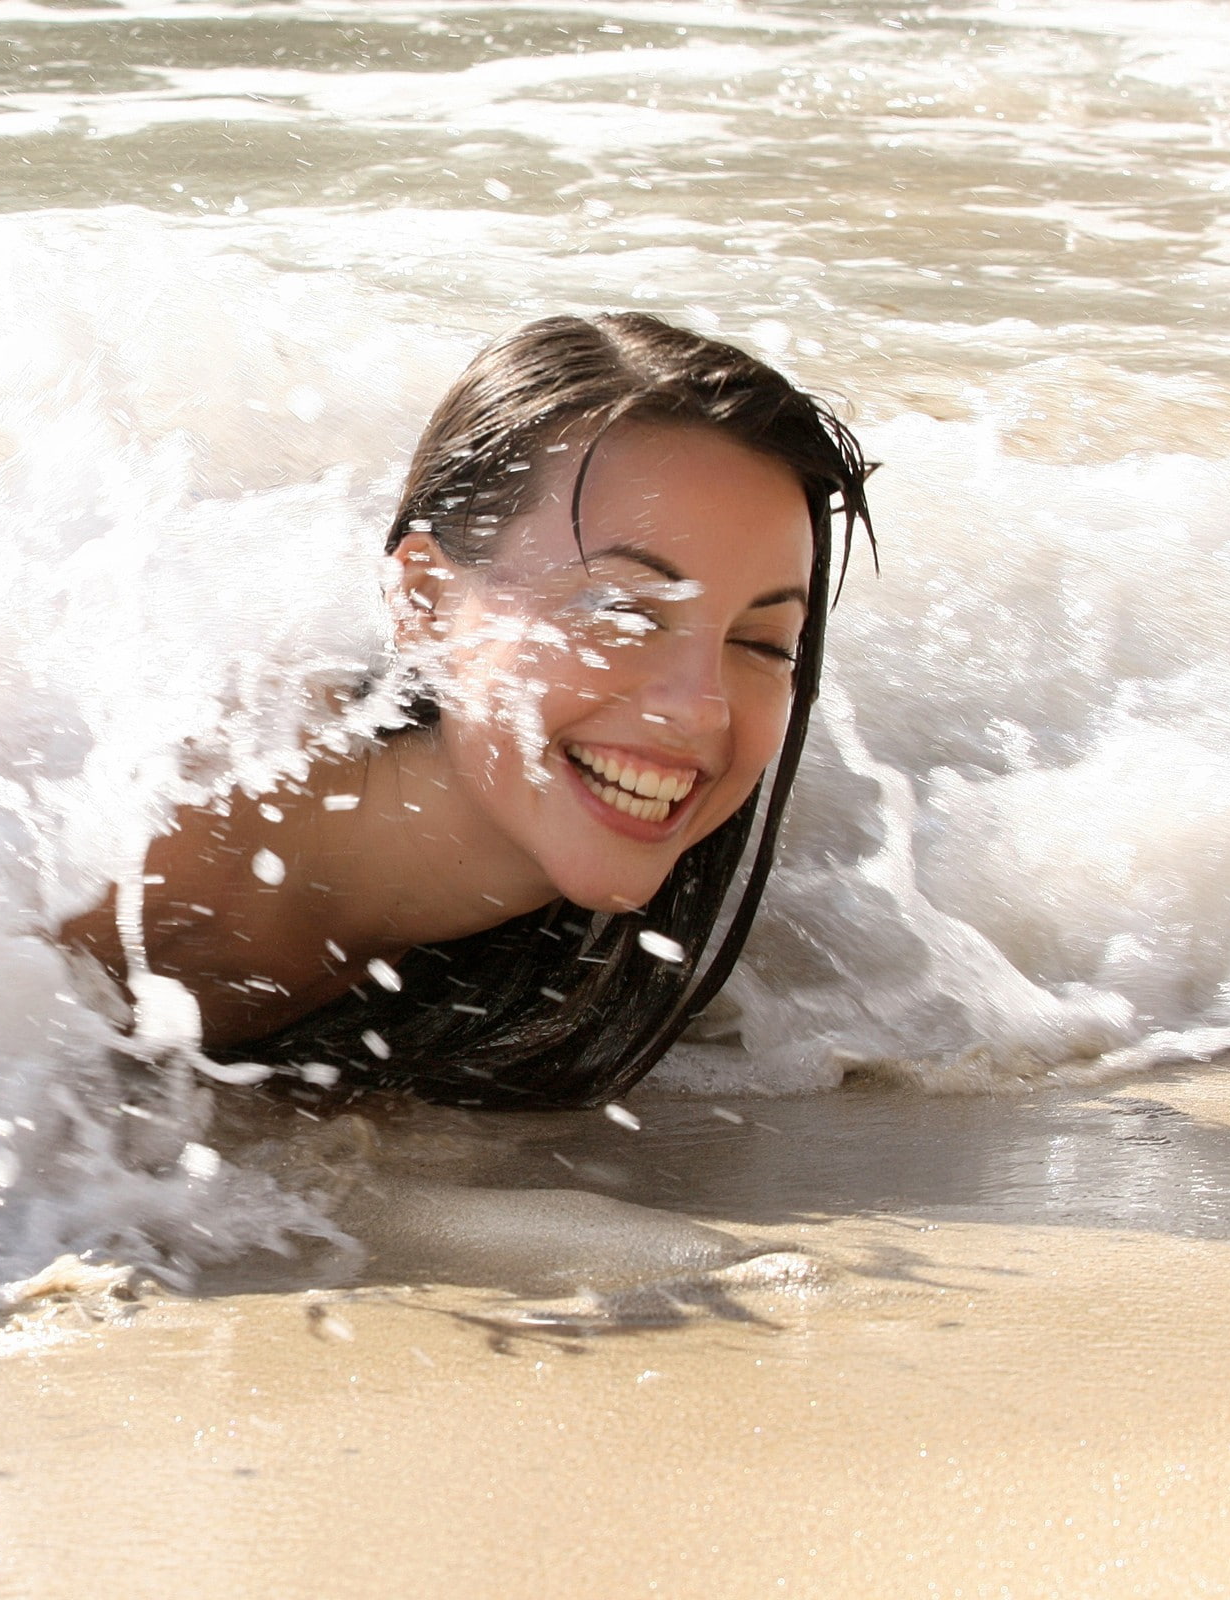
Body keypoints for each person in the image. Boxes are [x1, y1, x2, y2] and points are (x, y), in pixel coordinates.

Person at [59, 312, 873, 1108]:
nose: (700, 708)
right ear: (425, 599)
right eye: (622, 611)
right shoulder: (151, 846)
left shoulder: (710, 939)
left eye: (763, 643)